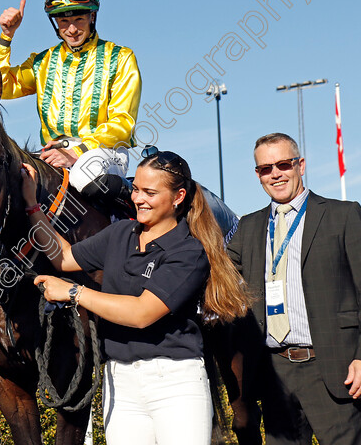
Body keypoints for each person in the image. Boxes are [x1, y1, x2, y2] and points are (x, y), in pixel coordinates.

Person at [21, 147, 249, 445]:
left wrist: (74, 292)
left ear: (178, 197)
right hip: (120, 384)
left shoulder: (189, 250)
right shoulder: (120, 234)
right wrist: (31, 206)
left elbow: (141, 313)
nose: (138, 199)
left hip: (176, 385)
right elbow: (63, 258)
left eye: (150, 193)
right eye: (136, 189)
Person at [226, 133, 361, 445]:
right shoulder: (248, 228)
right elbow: (215, 272)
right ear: (257, 175)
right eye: (265, 168)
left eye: (283, 164)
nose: (275, 173)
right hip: (274, 374)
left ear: (300, 165)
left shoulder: (343, 215)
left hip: (334, 371)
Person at [0, 0, 142, 204]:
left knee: (83, 175)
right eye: (63, 21)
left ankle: (132, 207)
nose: (72, 29)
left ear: (92, 16)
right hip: (53, 153)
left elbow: (123, 123)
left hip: (104, 151)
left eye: (79, 19)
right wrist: (6, 36)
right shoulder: (42, 61)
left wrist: (75, 152)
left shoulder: (121, 58)